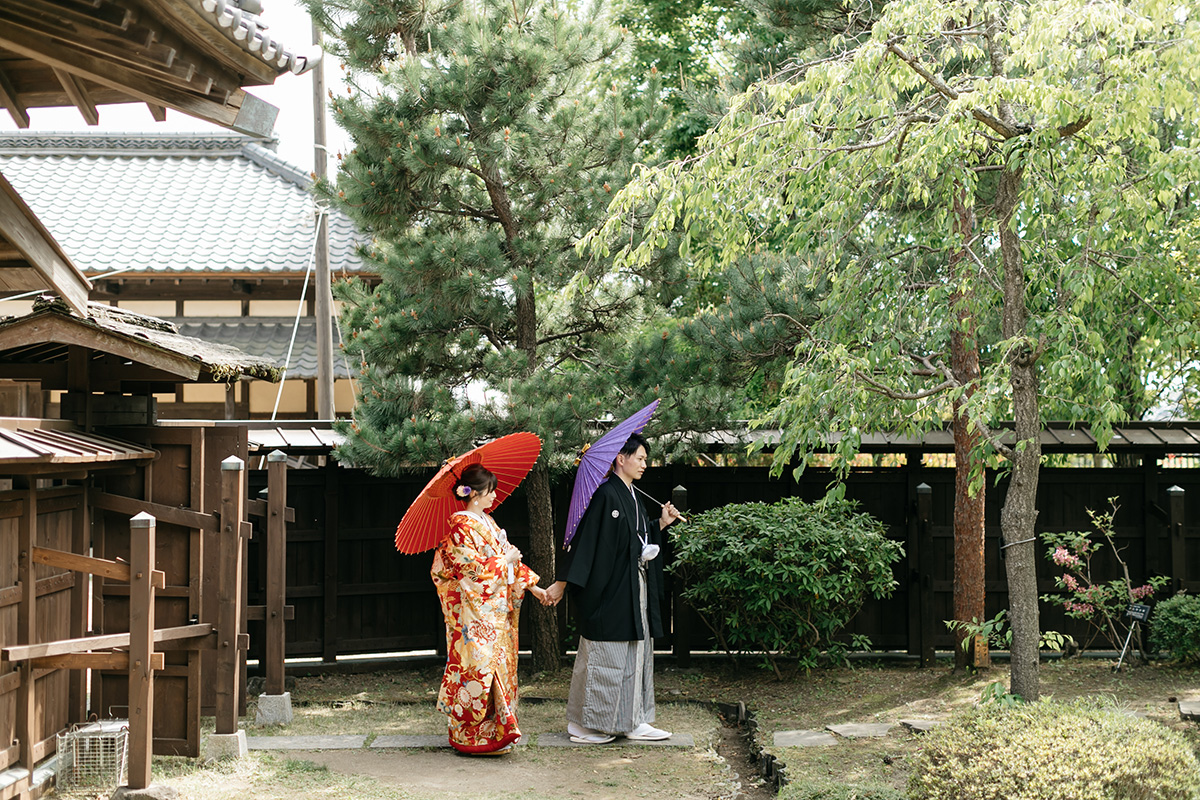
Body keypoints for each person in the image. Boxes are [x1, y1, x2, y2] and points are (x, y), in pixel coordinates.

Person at [543, 432, 683, 744]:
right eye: (641, 458)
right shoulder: (606, 494)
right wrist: (562, 584)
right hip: (610, 591)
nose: (645, 463)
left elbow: (636, 536)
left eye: (646, 459)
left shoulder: (631, 494)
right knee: (606, 655)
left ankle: (633, 720)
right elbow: (588, 543)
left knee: (636, 652)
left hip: (633, 585)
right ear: (621, 458)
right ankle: (582, 724)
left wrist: (659, 524)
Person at [431, 463, 547, 754]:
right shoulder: (460, 528)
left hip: (497, 612)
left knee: (500, 669)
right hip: (474, 618)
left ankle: (497, 732)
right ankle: (468, 737)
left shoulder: (489, 523)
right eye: (490, 491)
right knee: (477, 672)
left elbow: (511, 562)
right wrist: (504, 561)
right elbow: (468, 570)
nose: (494, 496)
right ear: (475, 494)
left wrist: (534, 587)